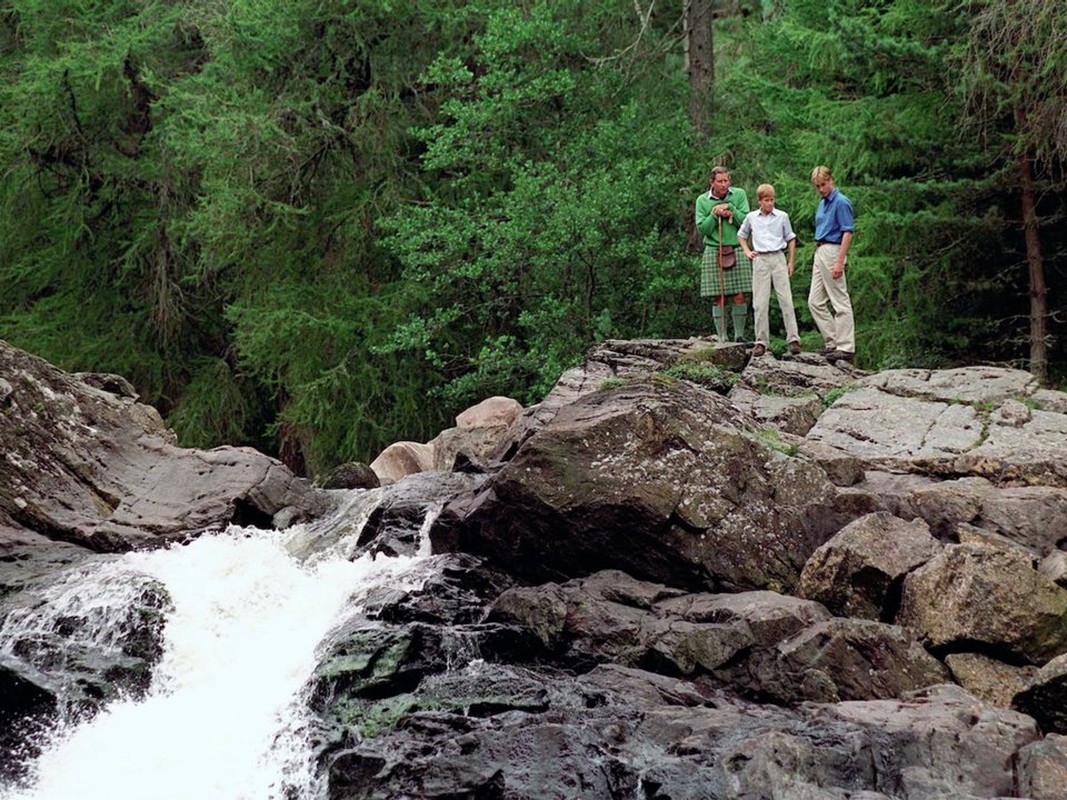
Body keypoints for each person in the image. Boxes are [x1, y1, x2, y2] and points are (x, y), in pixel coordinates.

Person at [737, 183, 801, 358]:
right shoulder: (752, 217)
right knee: (760, 302)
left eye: (772, 200)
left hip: (778, 257)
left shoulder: (782, 216)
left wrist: (791, 261)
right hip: (761, 259)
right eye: (766, 200)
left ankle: (793, 339)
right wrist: (747, 251)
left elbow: (791, 238)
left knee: (785, 299)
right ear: (759, 201)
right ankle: (761, 341)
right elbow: (741, 235)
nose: (770, 203)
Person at [695, 166, 751, 342]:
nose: (724, 184)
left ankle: (739, 336)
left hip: (736, 247)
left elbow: (747, 221)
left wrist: (731, 209)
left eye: (726, 181)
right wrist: (714, 214)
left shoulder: (739, 195)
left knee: (739, 294)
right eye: (720, 181)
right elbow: (702, 228)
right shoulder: (702, 201)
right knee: (719, 297)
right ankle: (722, 337)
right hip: (714, 249)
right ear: (712, 182)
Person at [808, 165, 856, 363]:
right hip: (821, 248)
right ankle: (832, 341)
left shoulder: (841, 202)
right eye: (818, 186)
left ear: (831, 181)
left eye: (823, 184)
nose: (821, 189)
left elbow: (847, 232)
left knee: (839, 299)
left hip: (834, 249)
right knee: (815, 301)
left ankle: (845, 345)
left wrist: (839, 262)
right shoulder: (822, 203)